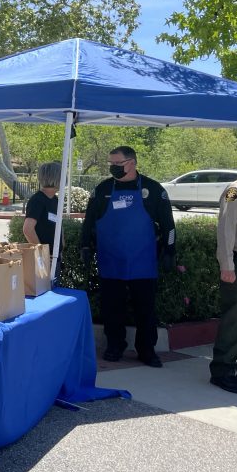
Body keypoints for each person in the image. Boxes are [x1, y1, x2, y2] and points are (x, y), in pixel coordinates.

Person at [81, 146, 175, 367]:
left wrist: (170, 250)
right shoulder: (103, 190)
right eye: (110, 164)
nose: (113, 168)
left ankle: (146, 350)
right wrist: (85, 246)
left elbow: (169, 225)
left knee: (145, 309)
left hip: (143, 263)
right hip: (110, 261)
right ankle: (115, 345)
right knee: (112, 308)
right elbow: (88, 222)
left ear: (132, 163)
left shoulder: (153, 190)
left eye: (117, 164)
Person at [210, 175, 237, 394]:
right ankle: (222, 371)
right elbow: (226, 229)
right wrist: (227, 265)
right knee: (236, 318)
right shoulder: (236, 190)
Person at [24, 161, 63, 274]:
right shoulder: (37, 200)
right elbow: (28, 229)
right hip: (44, 259)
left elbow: (58, 223)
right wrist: (42, 252)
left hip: (55, 256)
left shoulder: (55, 200)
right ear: (56, 177)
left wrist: (61, 246)